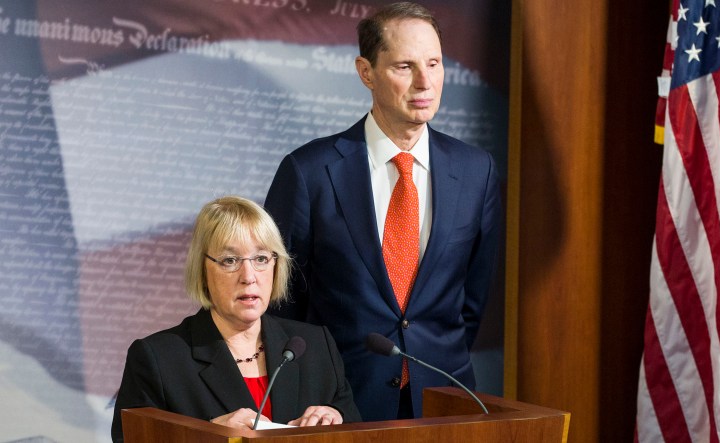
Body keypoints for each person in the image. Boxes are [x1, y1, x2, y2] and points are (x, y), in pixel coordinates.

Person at [264, 2, 502, 421]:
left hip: (444, 403)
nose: (425, 82)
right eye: (405, 67)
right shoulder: (309, 173)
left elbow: (471, 301)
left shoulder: (476, 170)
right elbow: (282, 306)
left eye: (434, 63)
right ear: (366, 72)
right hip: (337, 406)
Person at [111, 196, 361, 442]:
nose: (249, 276)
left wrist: (336, 419)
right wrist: (205, 436)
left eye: (261, 258)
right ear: (202, 269)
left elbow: (356, 429)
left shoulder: (315, 346)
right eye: (230, 261)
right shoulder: (158, 359)